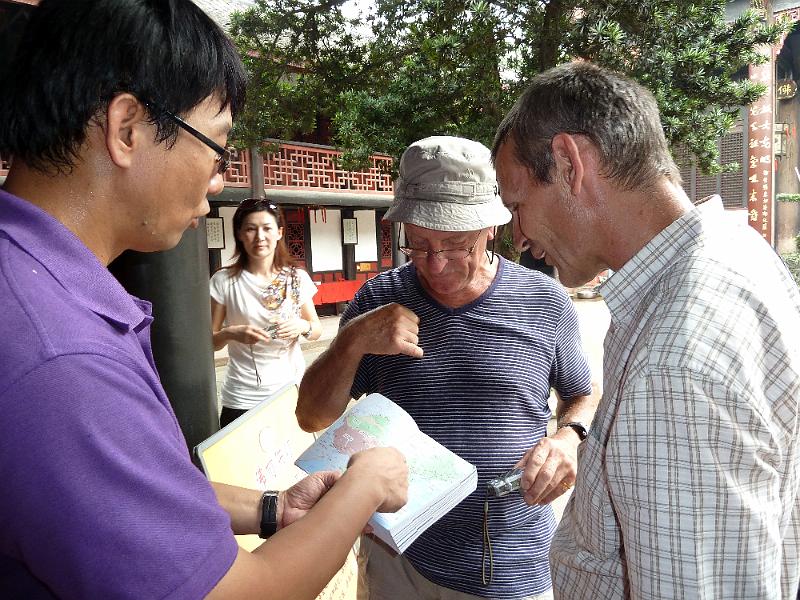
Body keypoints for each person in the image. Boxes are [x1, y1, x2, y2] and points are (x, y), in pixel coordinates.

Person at [0, 1, 408, 598]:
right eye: (216, 146)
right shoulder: (62, 355)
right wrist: (365, 484)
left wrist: (272, 509)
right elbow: (241, 591)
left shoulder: (32, 283)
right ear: (127, 129)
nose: (219, 179)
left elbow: (132, 494)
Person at [492, 61, 800, 599]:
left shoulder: (673, 364)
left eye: (518, 205)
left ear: (569, 164)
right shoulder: (736, 249)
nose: (517, 236)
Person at [296, 135, 598, 600]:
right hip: (397, 552)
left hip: (505, 557)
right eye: (418, 244)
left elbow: (581, 394)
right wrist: (351, 342)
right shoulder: (377, 299)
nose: (435, 264)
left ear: (489, 230)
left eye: (456, 244)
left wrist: (568, 437)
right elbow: (311, 417)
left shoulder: (544, 301)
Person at [211, 199, 321, 428]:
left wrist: (302, 326)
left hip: (291, 391)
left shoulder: (296, 277)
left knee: (290, 462)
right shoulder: (223, 281)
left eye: (267, 228)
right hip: (242, 396)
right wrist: (232, 333)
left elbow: (316, 329)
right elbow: (209, 341)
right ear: (240, 234)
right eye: (250, 229)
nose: (260, 236)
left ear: (279, 232)